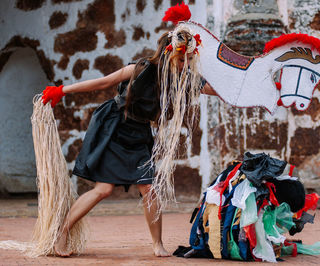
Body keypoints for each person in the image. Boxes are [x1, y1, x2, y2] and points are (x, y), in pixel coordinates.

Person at [42, 23, 218, 257]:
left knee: (149, 189)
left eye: (188, 60)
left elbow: (216, 90)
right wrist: (61, 91)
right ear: (168, 54)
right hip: (114, 126)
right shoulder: (140, 68)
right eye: (181, 59)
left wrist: (265, 94)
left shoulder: (184, 78)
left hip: (139, 133)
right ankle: (61, 232)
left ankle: (157, 244)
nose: (185, 65)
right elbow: (103, 82)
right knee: (104, 189)